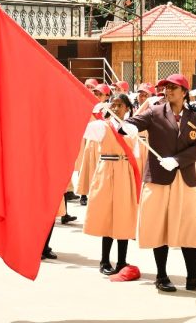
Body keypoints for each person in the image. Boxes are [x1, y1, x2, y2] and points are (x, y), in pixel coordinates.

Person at [121, 74, 196, 293]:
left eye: (173, 88)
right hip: (158, 178)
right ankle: (162, 276)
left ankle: (193, 276)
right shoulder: (155, 112)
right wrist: (129, 127)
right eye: (165, 88)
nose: (168, 91)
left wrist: (176, 160)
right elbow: (129, 124)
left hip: (184, 177)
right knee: (159, 225)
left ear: (184, 92)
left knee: (188, 226)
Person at [82, 95, 140, 275]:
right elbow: (81, 128)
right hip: (106, 170)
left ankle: (122, 261)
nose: (115, 108)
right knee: (106, 215)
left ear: (127, 108)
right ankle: (104, 260)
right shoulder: (101, 126)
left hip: (125, 171)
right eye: (113, 104)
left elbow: (136, 153)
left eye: (120, 105)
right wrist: (92, 111)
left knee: (124, 216)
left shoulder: (131, 128)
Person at [77, 83, 112, 206]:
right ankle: (84, 194)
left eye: (100, 94)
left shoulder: (109, 110)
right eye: (95, 93)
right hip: (91, 142)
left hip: (103, 143)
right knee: (88, 168)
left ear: (107, 96)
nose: (96, 95)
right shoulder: (88, 107)